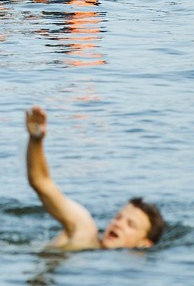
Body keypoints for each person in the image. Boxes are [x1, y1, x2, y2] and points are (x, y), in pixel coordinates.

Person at [25, 106, 165, 250]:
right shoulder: (83, 231)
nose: (118, 224)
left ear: (144, 243)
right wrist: (36, 141)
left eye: (130, 225)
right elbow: (41, 183)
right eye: (118, 217)